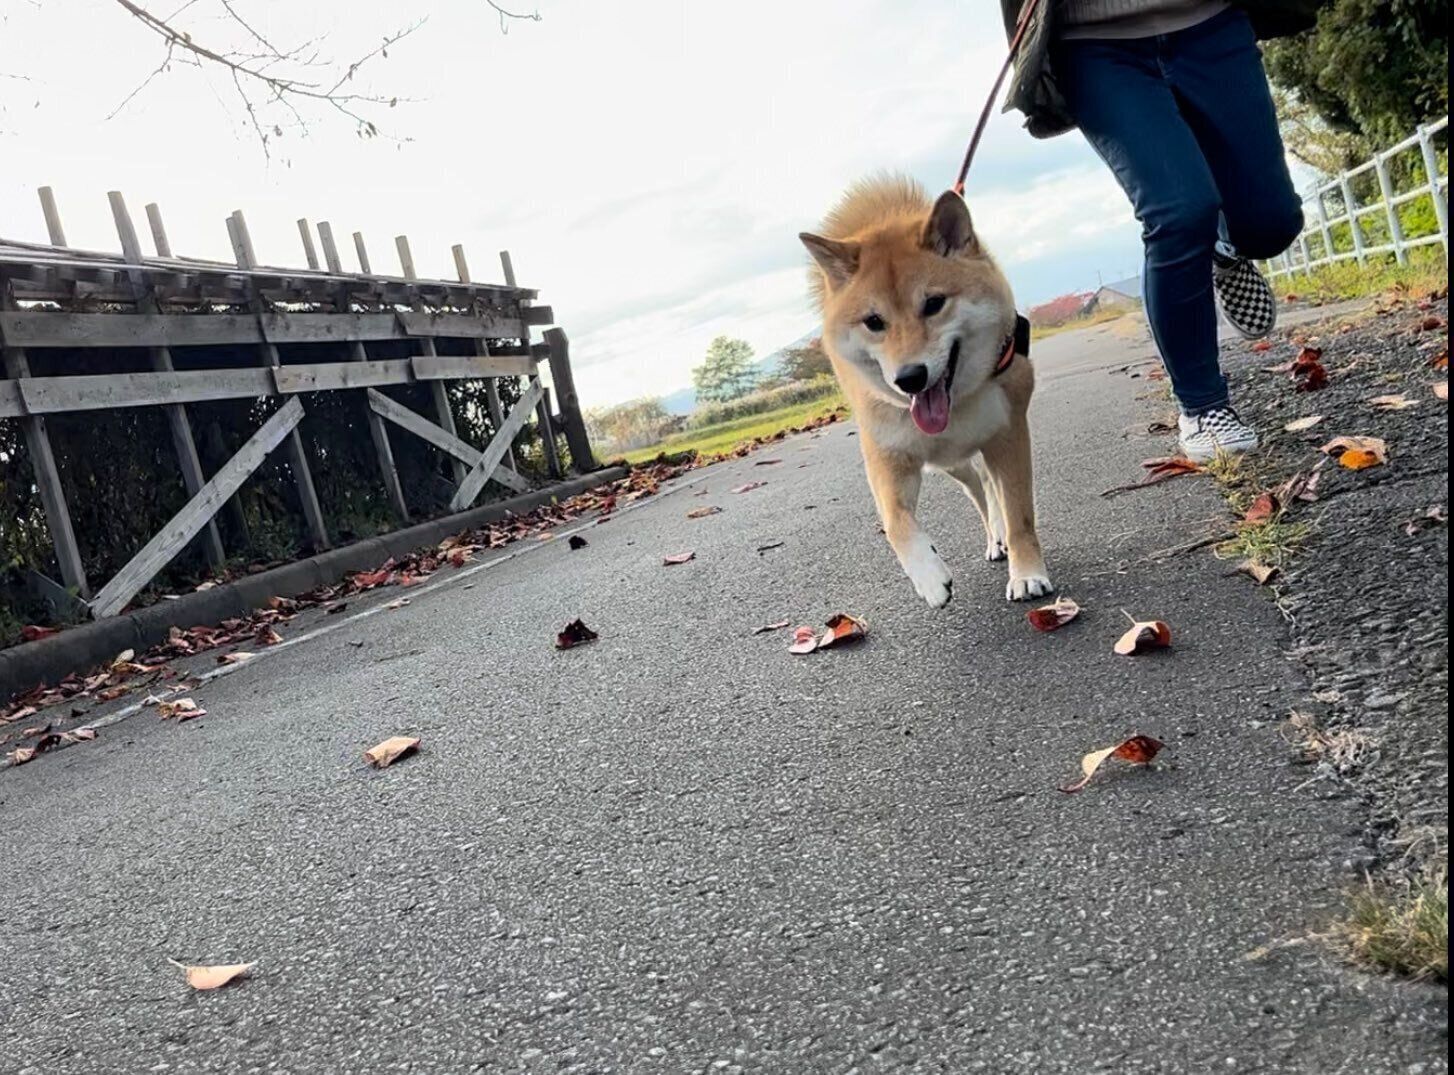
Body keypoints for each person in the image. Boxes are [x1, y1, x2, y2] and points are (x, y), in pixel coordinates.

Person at [1001, 0, 1321, 460]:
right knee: (1178, 211)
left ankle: (1224, 248)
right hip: (1095, 45)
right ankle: (1203, 405)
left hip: (1211, 23)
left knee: (1270, 224)